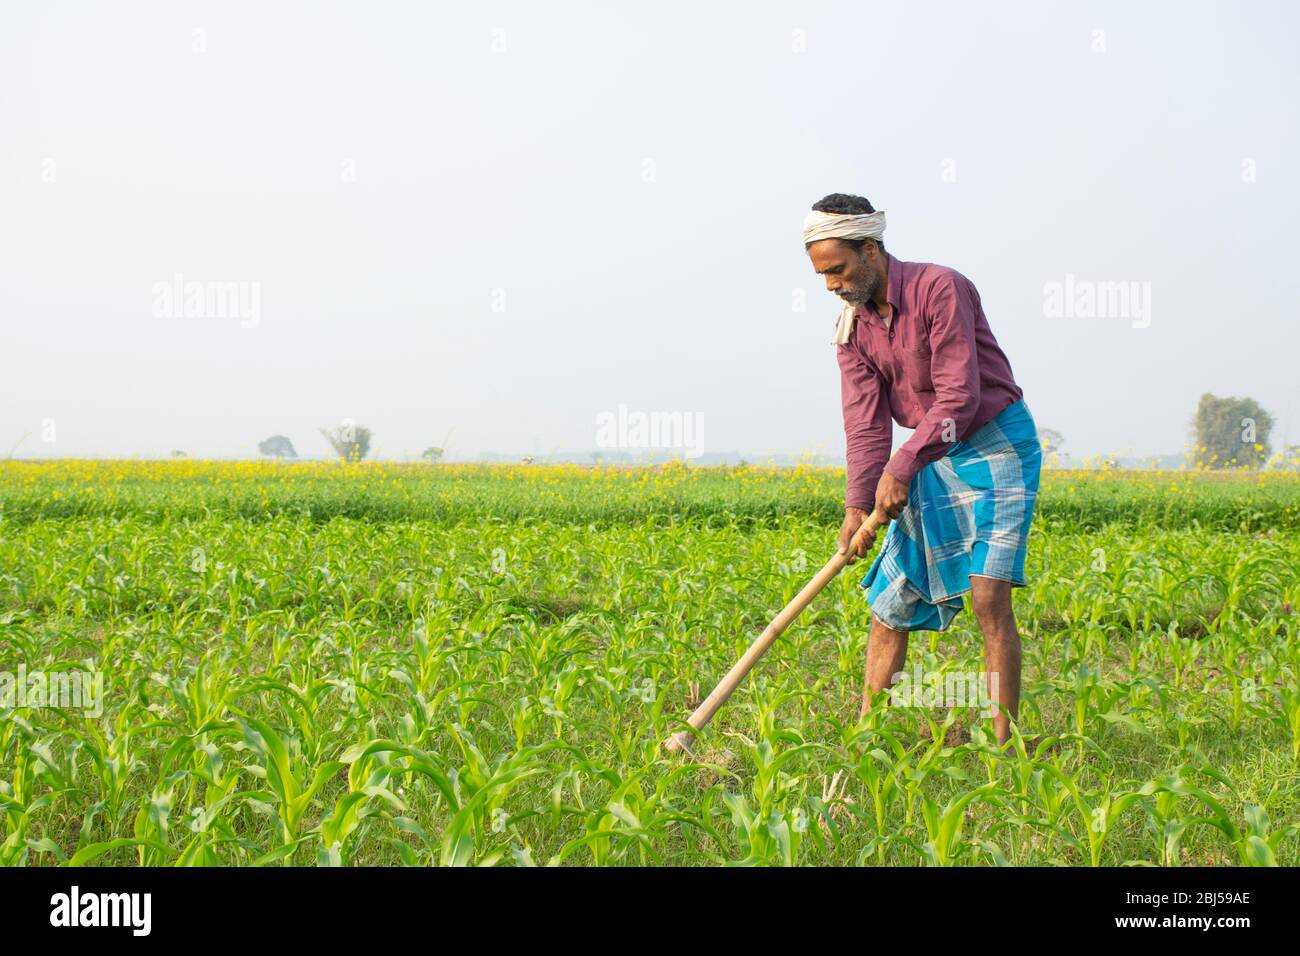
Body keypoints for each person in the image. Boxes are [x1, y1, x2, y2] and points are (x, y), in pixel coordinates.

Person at [803, 192, 1042, 746]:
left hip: (994, 444)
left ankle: (1005, 746)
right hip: (931, 454)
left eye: (837, 269)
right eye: (821, 275)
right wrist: (858, 504)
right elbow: (865, 425)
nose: (831, 285)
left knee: (988, 595)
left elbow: (959, 396)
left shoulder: (940, 288)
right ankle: (868, 738)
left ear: (871, 248)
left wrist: (904, 464)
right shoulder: (851, 331)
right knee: (892, 594)